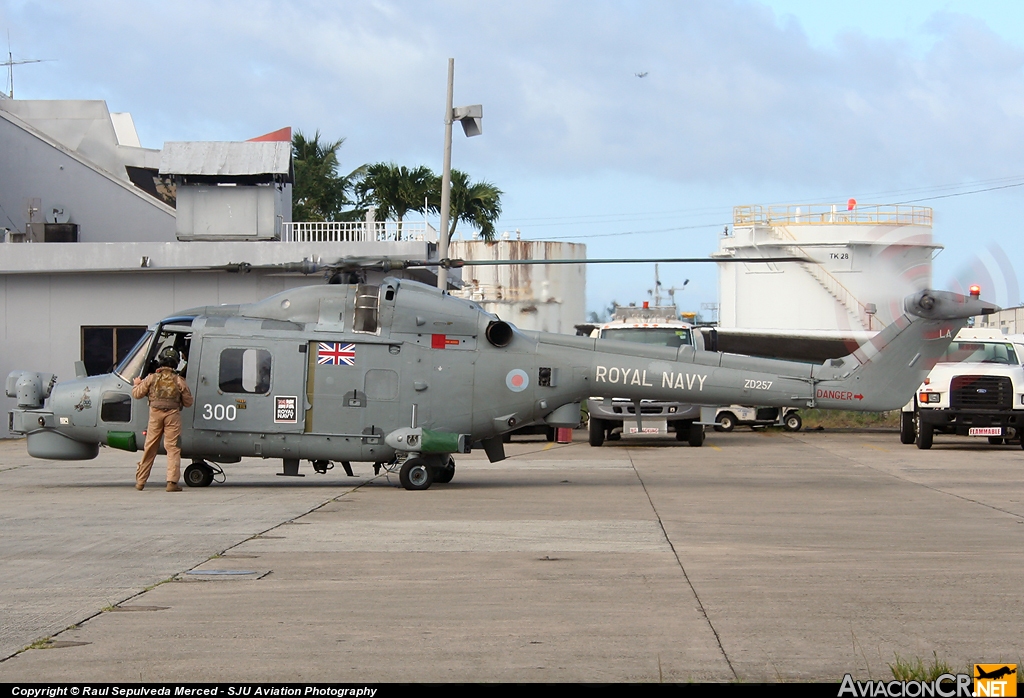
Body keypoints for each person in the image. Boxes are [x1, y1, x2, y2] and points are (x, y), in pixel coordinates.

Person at [132, 346, 194, 491]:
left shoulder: (151, 378)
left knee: (150, 447)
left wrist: (136, 384)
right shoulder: (179, 380)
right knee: (173, 448)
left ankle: (141, 481)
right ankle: (172, 482)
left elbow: (137, 394)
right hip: (173, 415)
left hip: (155, 414)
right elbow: (188, 402)